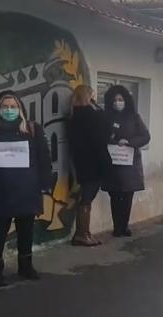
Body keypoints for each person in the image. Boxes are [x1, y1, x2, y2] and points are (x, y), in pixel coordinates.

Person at [0, 91, 51, 287]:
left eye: (13, 106)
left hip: (26, 189)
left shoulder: (32, 130)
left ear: (20, 109)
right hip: (1, 189)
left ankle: (26, 266)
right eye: (5, 107)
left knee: (26, 229)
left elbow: (44, 158)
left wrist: (44, 184)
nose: (9, 110)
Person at [102, 85, 151, 237]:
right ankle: (117, 227)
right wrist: (111, 140)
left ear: (126, 100)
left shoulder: (134, 117)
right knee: (115, 195)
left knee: (127, 195)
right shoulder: (106, 118)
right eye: (115, 100)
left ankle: (125, 226)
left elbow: (145, 136)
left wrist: (129, 142)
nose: (117, 102)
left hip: (130, 164)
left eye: (120, 99)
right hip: (113, 163)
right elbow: (100, 136)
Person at [66, 85, 111, 247]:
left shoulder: (72, 115)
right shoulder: (92, 115)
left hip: (80, 161)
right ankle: (82, 234)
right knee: (87, 199)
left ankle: (83, 233)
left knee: (85, 197)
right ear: (89, 96)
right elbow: (104, 134)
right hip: (94, 161)